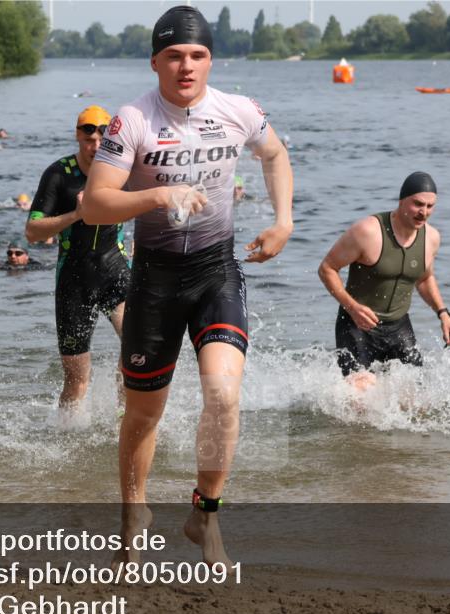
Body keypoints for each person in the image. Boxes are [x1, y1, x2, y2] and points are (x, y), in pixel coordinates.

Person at [81, 5, 294, 566]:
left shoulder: (239, 110)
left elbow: (274, 154)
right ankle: (135, 511)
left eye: (197, 55)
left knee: (223, 394)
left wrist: (283, 221)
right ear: (155, 61)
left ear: (210, 61)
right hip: (153, 279)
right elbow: (95, 203)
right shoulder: (133, 120)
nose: (186, 66)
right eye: (174, 55)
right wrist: (156, 195)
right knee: (143, 413)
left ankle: (206, 515)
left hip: (215, 271)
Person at [27, 105, 131, 412]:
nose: (96, 145)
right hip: (74, 279)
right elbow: (32, 231)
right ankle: (67, 443)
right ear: (78, 136)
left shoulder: (124, 169)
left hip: (116, 269)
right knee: (76, 379)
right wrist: (76, 214)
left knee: (135, 349)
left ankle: (124, 423)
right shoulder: (59, 174)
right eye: (88, 137)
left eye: (102, 136)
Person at [318, 172, 450, 391]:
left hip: (399, 327)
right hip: (357, 326)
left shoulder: (431, 238)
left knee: (416, 398)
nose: (424, 213)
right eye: (418, 204)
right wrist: (353, 307)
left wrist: (443, 314)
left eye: (430, 206)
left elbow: (425, 278)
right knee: (361, 397)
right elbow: (327, 268)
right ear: (402, 201)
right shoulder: (368, 231)